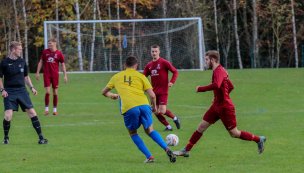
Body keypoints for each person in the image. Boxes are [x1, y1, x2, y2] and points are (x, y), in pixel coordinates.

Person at [174, 50, 266, 157]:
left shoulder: (219, 71)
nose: (206, 62)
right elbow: (230, 86)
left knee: (234, 133)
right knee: (201, 127)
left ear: (213, 60)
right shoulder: (220, 71)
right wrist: (219, 97)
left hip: (225, 108)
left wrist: (201, 89)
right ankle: (186, 150)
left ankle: (259, 139)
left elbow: (217, 85)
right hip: (216, 106)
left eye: (207, 60)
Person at [102, 56, 176, 163]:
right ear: (136, 66)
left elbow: (103, 92)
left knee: (133, 133)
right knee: (150, 130)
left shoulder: (116, 76)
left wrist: (111, 95)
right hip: (144, 105)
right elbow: (152, 95)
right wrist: (154, 107)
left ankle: (149, 157)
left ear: (124, 65)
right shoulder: (141, 76)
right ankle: (167, 148)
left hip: (129, 107)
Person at [0, 41, 48, 144]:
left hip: (22, 91)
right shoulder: (4, 62)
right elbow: (0, 78)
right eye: (19, 49)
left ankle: (41, 138)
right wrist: (2, 90)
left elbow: (26, 76)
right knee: (8, 116)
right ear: (13, 50)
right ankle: (6, 138)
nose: (21, 51)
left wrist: (32, 87)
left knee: (32, 113)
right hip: (9, 92)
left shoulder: (22, 61)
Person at [143, 44, 180, 131]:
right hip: (153, 92)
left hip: (163, 91)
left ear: (159, 52)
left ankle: (175, 118)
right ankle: (168, 126)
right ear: (150, 52)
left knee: (162, 111)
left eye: (156, 51)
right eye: (153, 51)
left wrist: (171, 82)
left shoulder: (164, 62)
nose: (154, 53)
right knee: (155, 110)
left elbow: (175, 72)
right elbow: (143, 76)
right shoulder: (149, 65)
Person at [35, 38, 67, 116]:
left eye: (50, 43)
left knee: (55, 93)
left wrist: (65, 75)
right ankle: (46, 109)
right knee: (47, 92)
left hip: (55, 75)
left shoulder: (59, 53)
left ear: (55, 43)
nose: (49, 45)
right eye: (48, 43)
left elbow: (63, 64)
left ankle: (55, 110)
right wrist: (37, 72)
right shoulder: (45, 52)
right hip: (46, 74)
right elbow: (41, 62)